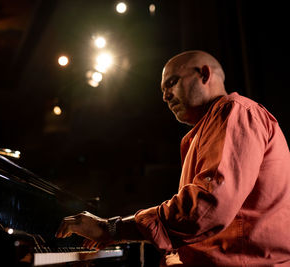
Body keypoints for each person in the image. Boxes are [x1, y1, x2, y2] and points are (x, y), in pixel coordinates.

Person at [55, 50, 290, 266]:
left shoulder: (235, 111)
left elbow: (206, 208)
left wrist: (112, 229)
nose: (166, 96)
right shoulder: (206, 129)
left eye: (171, 83)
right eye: (163, 90)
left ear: (204, 74)